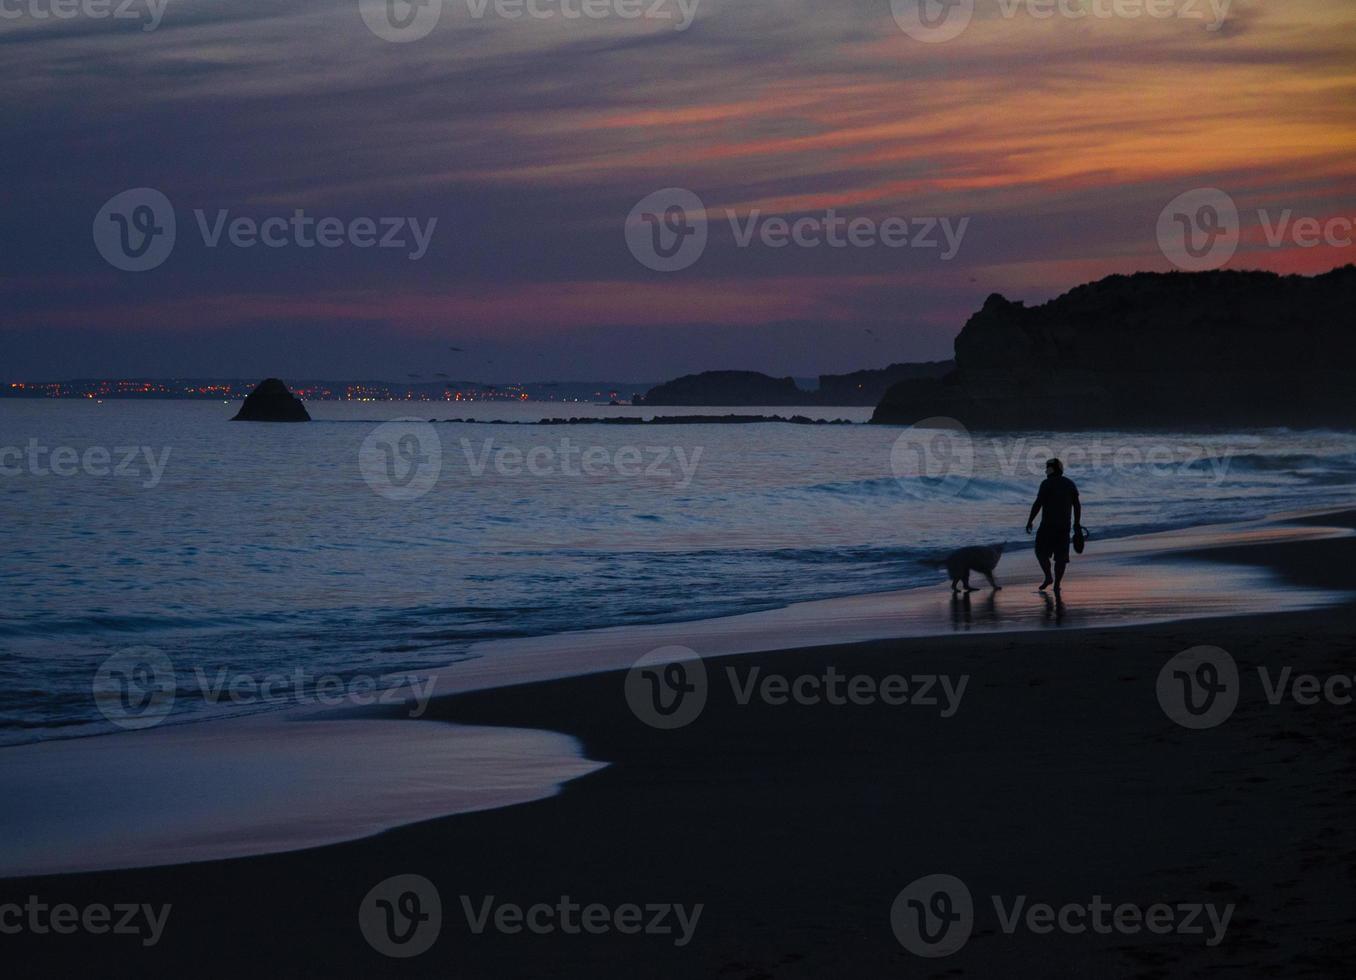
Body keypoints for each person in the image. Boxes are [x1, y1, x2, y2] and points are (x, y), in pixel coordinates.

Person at [1025, 457, 1081, 594]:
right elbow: (1077, 505)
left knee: (1040, 552)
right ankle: (1057, 584)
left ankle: (1048, 576)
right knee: (1061, 558)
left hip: (1047, 527)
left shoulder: (1046, 484)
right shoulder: (1070, 484)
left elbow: (1038, 503)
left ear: (1049, 470)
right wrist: (1077, 523)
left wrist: (1030, 520)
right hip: (1064, 527)